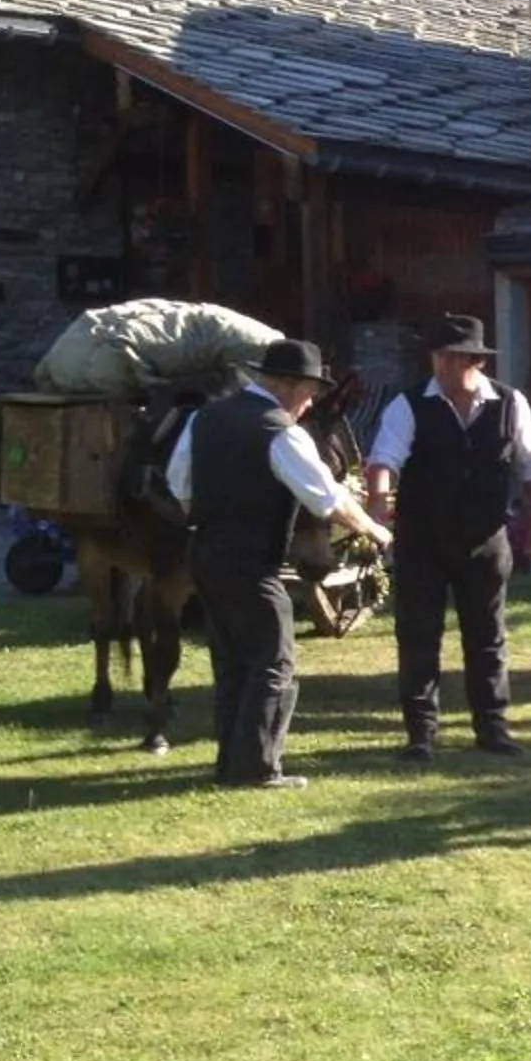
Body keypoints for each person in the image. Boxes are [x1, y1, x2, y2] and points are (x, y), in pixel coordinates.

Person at [165, 338, 392, 789]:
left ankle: (231, 762)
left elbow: (179, 484)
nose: (309, 404)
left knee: (232, 662)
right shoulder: (279, 432)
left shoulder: (204, 419)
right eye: (308, 392)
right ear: (288, 385)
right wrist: (374, 529)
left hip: (206, 551)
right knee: (274, 661)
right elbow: (327, 499)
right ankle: (257, 768)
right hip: (251, 560)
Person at [364, 315, 531, 762]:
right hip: (422, 538)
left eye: (452, 357)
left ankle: (493, 728)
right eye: (439, 357)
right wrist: (378, 503)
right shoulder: (408, 405)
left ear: (475, 361)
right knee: (418, 636)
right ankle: (420, 735)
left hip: (486, 537)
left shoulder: (510, 403)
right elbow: (383, 459)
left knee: (488, 635)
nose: (444, 366)